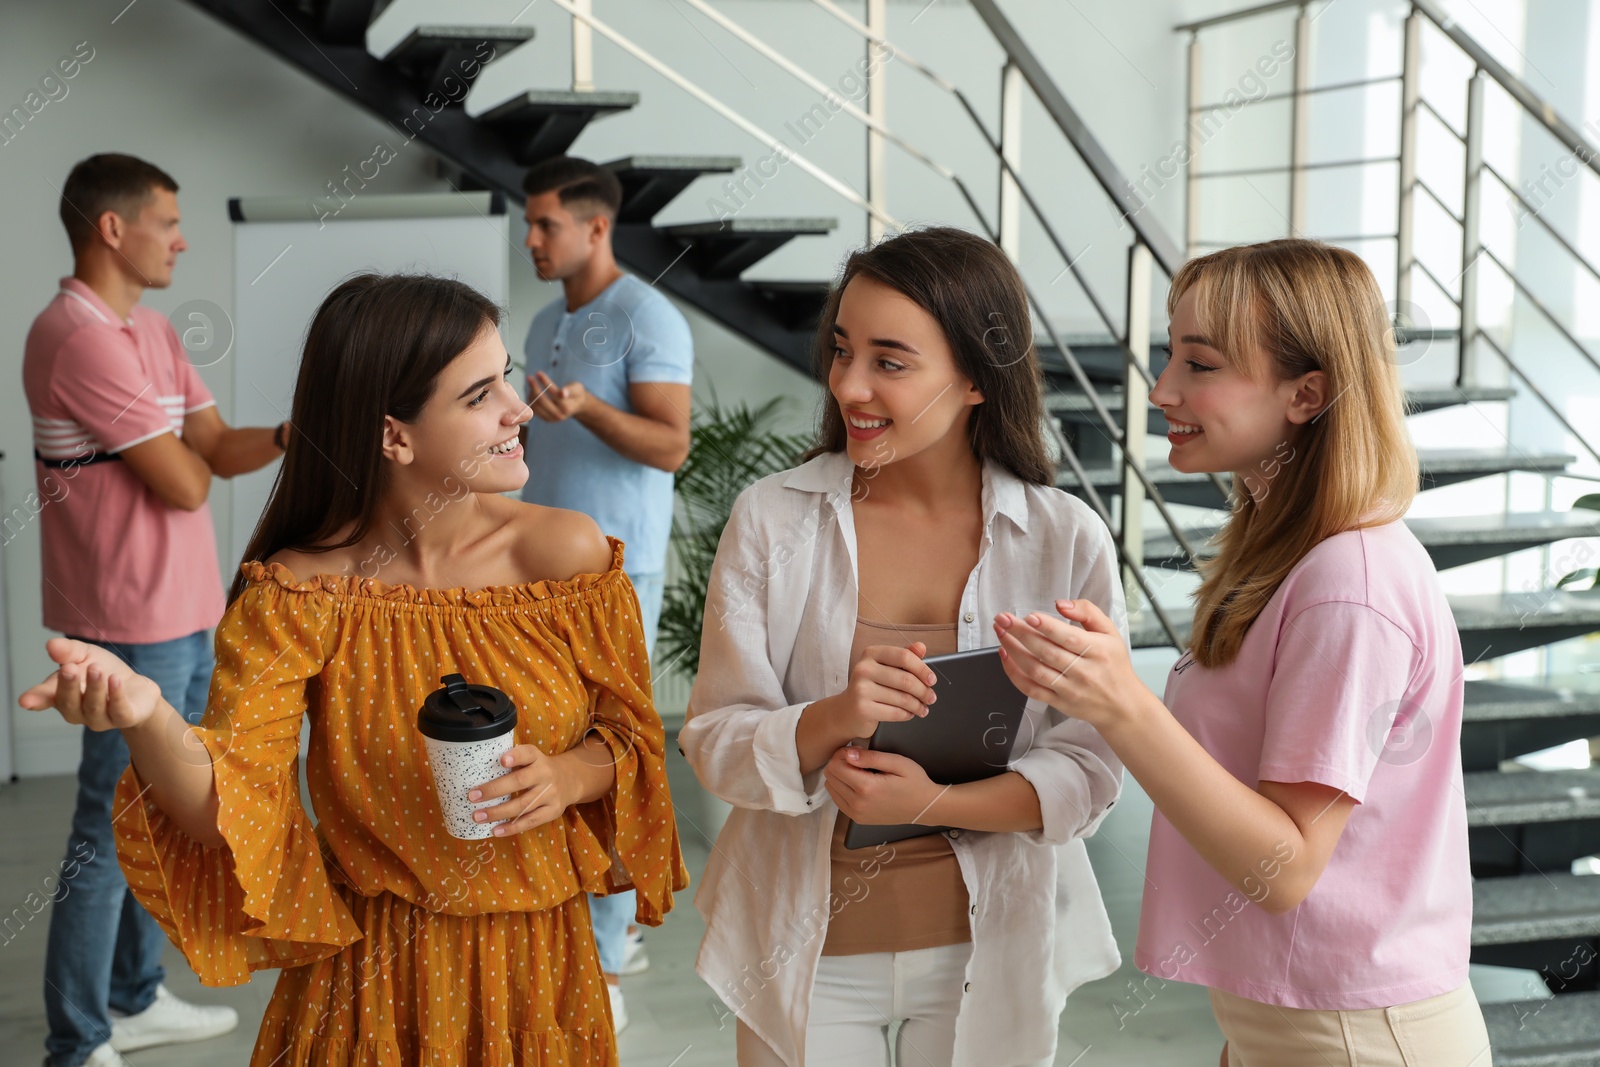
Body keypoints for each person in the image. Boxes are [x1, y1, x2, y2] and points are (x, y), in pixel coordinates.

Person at [19, 273, 688, 1066]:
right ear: (394, 435)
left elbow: (635, 741)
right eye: (480, 394)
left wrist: (572, 775)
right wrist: (146, 713)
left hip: (539, 964)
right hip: (371, 979)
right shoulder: (301, 593)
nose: (519, 409)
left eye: (505, 376)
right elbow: (224, 805)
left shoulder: (567, 555)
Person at [993, 239, 1490, 1066]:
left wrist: (1120, 702)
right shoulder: (1292, 555)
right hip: (1294, 1024)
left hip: (1356, 1033)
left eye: (1201, 365)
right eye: (1169, 356)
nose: (1161, 390)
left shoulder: (1347, 585)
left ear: (1308, 394)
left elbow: (1287, 866)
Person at [680, 226, 1124, 1067]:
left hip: (988, 953)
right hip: (804, 952)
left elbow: (1093, 770)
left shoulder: (1065, 541)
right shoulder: (772, 520)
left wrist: (929, 804)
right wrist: (833, 718)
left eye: (890, 360)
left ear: (975, 380)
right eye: (843, 349)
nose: (849, 383)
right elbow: (713, 740)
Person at [22, 152, 289, 1067]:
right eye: (166, 221)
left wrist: (299, 430)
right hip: (121, 619)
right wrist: (194, 449)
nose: (180, 238)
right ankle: (77, 1038)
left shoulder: (152, 329)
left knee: (160, 811)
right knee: (105, 823)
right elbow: (184, 480)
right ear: (112, 228)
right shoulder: (77, 337)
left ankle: (133, 999)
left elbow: (215, 441)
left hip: (184, 611)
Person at [518, 155, 694, 1031]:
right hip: (539, 571)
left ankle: (610, 962)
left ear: (596, 226)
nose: (532, 238)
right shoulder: (550, 315)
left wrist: (586, 408)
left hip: (616, 573)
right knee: (556, 748)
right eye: (530, 222)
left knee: (612, 752)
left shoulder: (645, 315)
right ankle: (594, 927)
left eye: (546, 223)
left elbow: (672, 445)